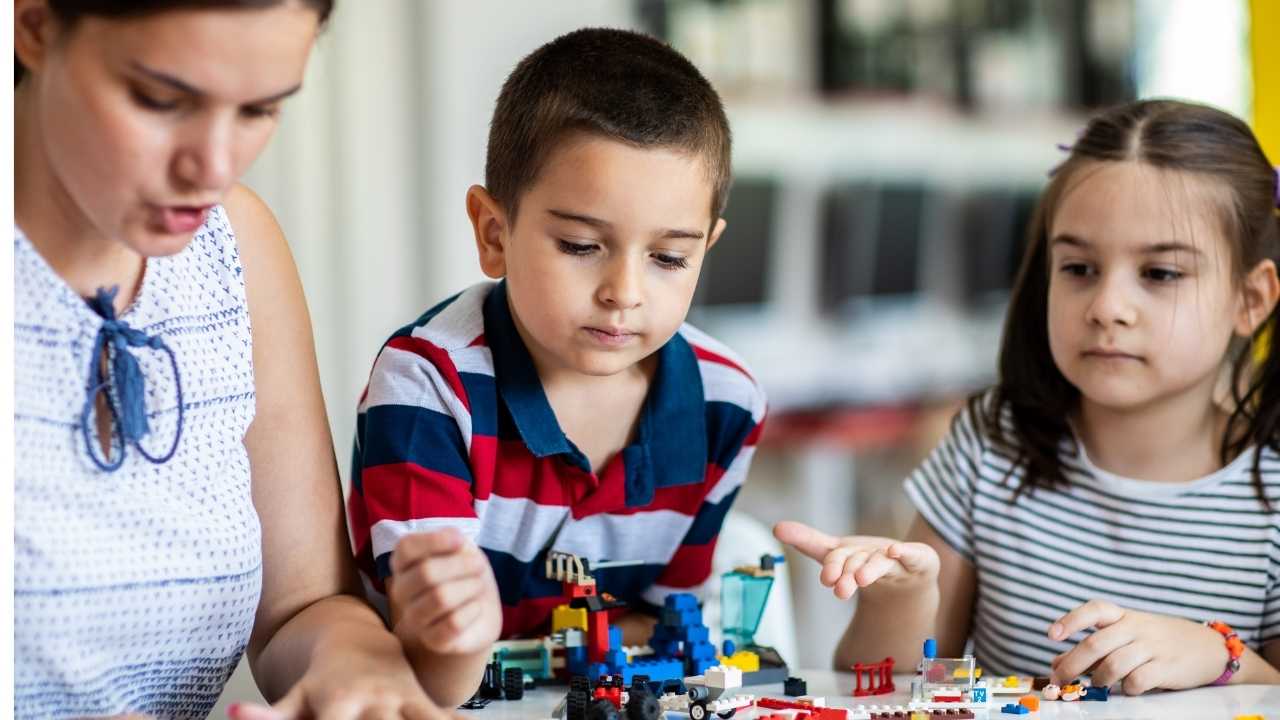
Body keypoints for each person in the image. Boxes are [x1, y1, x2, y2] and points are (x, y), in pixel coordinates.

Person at [13, 1, 445, 717]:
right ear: (33, 26)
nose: (211, 169)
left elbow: (301, 608)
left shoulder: (234, 245)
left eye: (259, 109)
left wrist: (362, 670)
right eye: (160, 100)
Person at [775, 99, 1280, 694]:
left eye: (1160, 274)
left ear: (1251, 299)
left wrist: (1224, 657)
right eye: (1078, 268)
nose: (1106, 308)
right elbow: (900, 686)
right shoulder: (990, 444)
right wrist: (903, 600)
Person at [345, 27, 768, 704]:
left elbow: (660, 628)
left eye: (668, 258)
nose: (624, 292)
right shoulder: (429, 385)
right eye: (579, 244)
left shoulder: (726, 401)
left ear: (706, 247)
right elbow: (427, 650)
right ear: (494, 233)